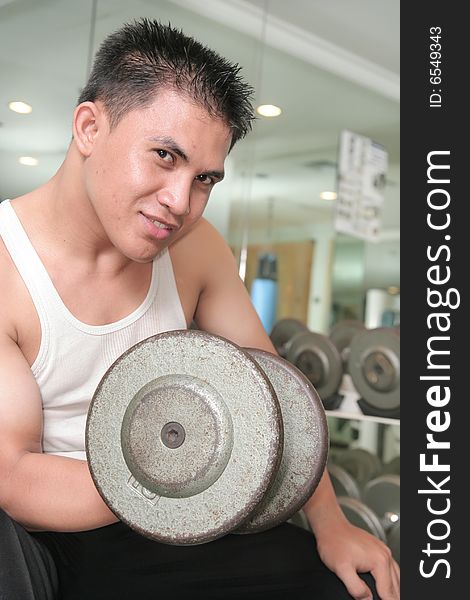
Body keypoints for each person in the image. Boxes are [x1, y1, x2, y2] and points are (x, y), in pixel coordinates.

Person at [0, 18, 399, 600]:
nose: (180, 203)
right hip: (54, 532)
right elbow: (13, 476)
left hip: (179, 520)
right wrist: (195, 477)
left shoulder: (195, 248)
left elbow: (278, 405)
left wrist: (332, 525)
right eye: (165, 156)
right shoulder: (7, 268)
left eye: (205, 178)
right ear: (89, 126)